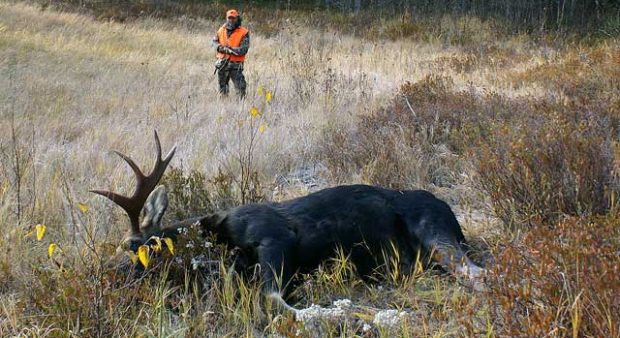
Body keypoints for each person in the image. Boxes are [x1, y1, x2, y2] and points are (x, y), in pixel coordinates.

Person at [211, 9, 250, 98]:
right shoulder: (221, 30)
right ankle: (224, 107)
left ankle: (241, 108)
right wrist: (220, 48)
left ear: (237, 19)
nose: (231, 20)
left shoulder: (244, 32)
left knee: (241, 89)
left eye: (233, 18)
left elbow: (244, 49)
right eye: (229, 18)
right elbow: (214, 42)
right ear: (226, 18)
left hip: (235, 66)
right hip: (222, 64)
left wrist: (230, 50)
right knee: (222, 90)